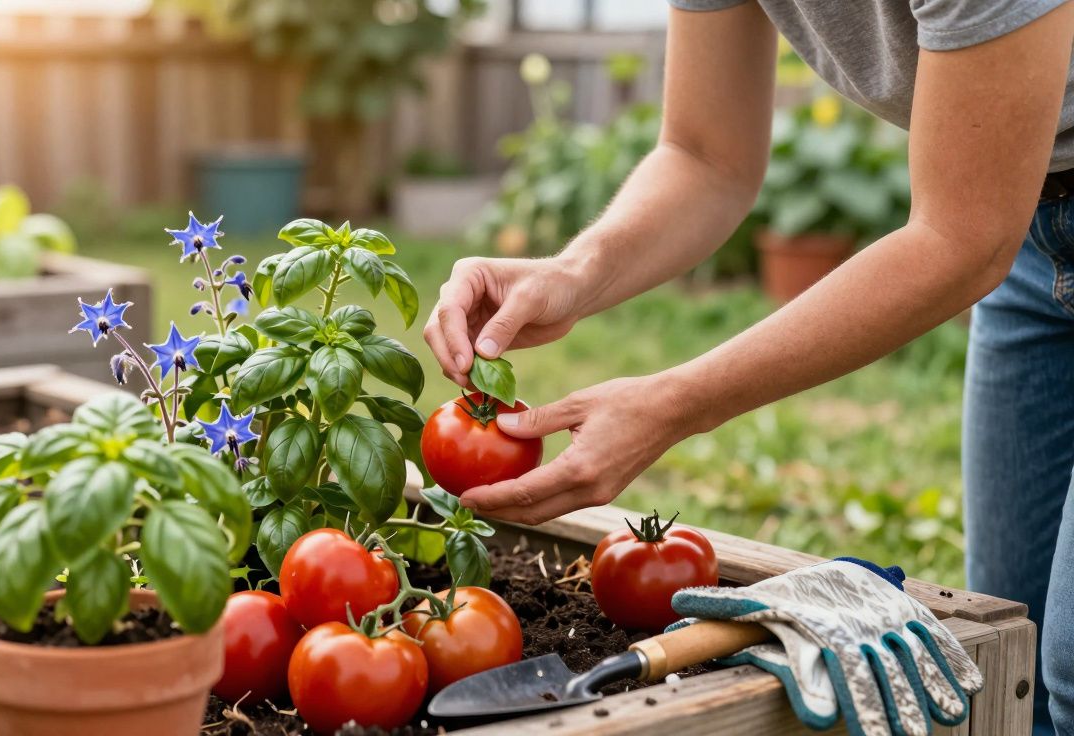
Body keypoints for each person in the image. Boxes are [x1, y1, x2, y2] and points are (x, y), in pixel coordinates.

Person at [423, 2, 1074, 733]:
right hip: (1031, 227)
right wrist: (573, 272)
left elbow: (961, 239)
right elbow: (705, 156)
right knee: (1019, 671)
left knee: (1071, 669)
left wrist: (674, 402)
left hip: (993, 223)